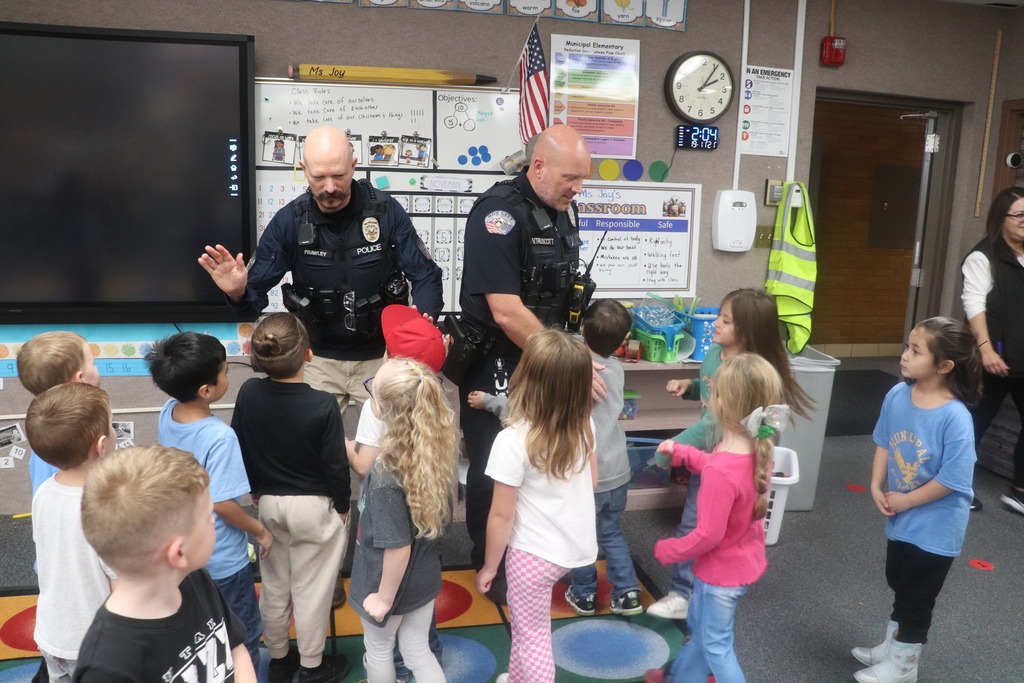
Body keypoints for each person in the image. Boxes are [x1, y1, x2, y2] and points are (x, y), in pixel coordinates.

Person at [199, 125, 443, 420]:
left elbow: (426, 275)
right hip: (316, 358)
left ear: (353, 166)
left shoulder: (386, 212)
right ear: (304, 170)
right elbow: (251, 303)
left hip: (383, 357)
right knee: (310, 444)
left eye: (339, 175)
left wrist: (423, 322)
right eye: (319, 177)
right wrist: (237, 293)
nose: (329, 187)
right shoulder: (289, 222)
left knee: (398, 443)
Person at [458, 124, 600, 601]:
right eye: (570, 178)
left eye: (582, 178)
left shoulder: (561, 208)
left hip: (546, 358)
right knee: (495, 468)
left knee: (543, 461)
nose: (578, 189)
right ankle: (492, 567)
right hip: (498, 361)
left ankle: (534, 553)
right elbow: (505, 310)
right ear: (538, 166)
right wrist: (566, 366)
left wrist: (575, 353)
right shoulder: (498, 215)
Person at [647, 288, 812, 620]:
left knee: (703, 526)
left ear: (748, 331)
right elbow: (711, 391)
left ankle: (689, 592)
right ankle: (697, 590)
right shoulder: (715, 353)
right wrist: (690, 386)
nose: (715, 323)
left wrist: (669, 451)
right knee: (702, 523)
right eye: (718, 315)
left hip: (729, 461)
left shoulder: (750, 371)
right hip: (711, 456)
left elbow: (713, 422)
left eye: (725, 319)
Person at [644, 354, 788, 683]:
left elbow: (707, 534)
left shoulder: (721, 469)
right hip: (737, 566)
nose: (707, 397)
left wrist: (670, 550)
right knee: (701, 633)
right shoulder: (755, 447)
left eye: (714, 392)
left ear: (724, 403)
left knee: (716, 647)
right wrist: (683, 452)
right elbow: (717, 466)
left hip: (719, 577)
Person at [852, 317, 981, 683]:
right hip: (902, 514)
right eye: (907, 346)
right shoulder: (897, 395)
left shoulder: (955, 417)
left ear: (944, 366)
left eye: (915, 351)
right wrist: (875, 485)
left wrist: (908, 501)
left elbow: (954, 480)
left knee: (918, 595)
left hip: (937, 524)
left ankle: (904, 665)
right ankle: (892, 647)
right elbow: (884, 441)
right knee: (898, 579)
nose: (905, 356)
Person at [231, 313, 351, 683]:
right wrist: (342, 507)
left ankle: (280, 659)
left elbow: (240, 444)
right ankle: (312, 665)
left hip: (268, 503)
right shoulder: (323, 403)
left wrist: (254, 489)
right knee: (312, 589)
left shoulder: (249, 393)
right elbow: (335, 464)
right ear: (308, 354)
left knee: (274, 585)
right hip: (314, 507)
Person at [73, 446, 256, 683]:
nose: (213, 520)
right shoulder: (106, 668)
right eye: (208, 516)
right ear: (178, 553)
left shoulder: (195, 578)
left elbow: (235, 649)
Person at [476, 330, 598, 683]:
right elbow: (591, 482)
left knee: (532, 634)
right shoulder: (585, 424)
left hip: (531, 554)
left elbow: (501, 515)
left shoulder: (512, 441)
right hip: (571, 546)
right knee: (526, 625)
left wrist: (489, 566)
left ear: (525, 378)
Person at [145, 332, 268, 669]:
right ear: (206, 391)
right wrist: (260, 531)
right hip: (223, 560)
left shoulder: (169, 410)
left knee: (201, 635)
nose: (228, 376)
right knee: (242, 634)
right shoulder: (221, 438)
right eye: (225, 372)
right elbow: (223, 504)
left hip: (185, 554)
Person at [347, 305, 447, 682]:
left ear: (383, 410)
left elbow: (397, 546)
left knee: (378, 650)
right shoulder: (436, 444)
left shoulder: (386, 474)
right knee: (418, 650)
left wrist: (383, 598)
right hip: (423, 576)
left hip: (386, 580)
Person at [25, 383, 117, 682]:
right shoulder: (106, 505)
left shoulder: (44, 492)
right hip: (95, 641)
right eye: (112, 424)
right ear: (101, 445)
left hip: (51, 633)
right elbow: (121, 584)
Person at [564, 299, 644, 617]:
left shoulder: (574, 369)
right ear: (623, 340)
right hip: (618, 472)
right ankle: (628, 592)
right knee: (610, 532)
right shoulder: (617, 368)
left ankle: (584, 593)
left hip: (587, 474)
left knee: (580, 535)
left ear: (583, 329)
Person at [962, 185, 1024, 514]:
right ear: (1001, 218)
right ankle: (955, 486)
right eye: (1019, 215)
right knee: (971, 423)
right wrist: (985, 350)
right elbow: (974, 305)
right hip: (993, 358)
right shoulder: (982, 257)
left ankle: (1019, 491)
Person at [17, 331, 101, 498]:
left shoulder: (43, 433)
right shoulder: (56, 436)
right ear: (80, 378)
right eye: (93, 363)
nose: (96, 367)